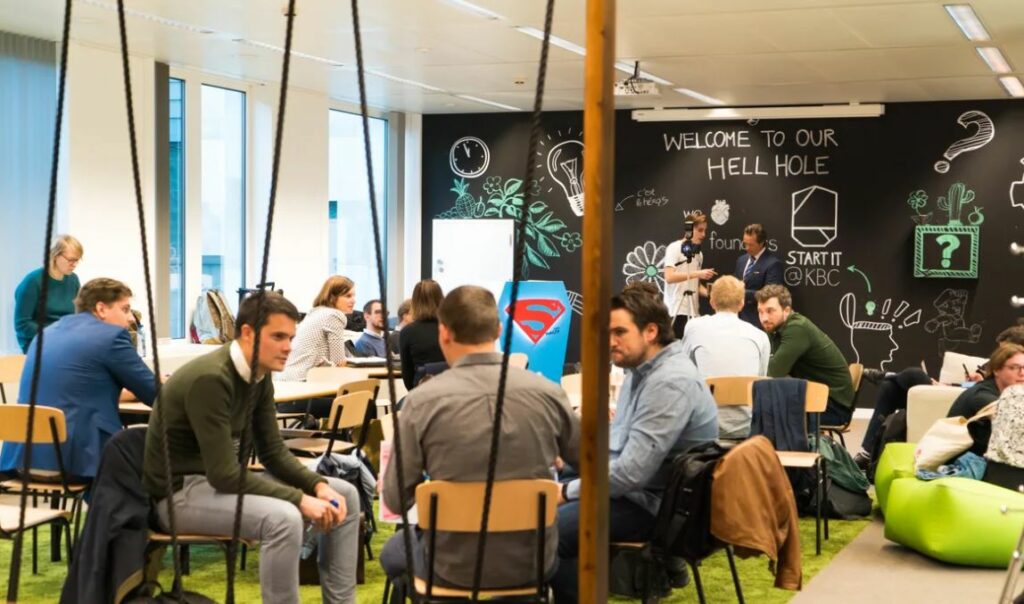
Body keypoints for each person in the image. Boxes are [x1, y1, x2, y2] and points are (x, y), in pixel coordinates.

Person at [142, 292, 360, 604]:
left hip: (214, 485)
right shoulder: (211, 379)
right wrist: (301, 499)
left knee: (344, 494)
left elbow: (272, 452)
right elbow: (224, 475)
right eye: (278, 337)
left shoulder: (259, 373)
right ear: (247, 333)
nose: (288, 347)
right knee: (284, 518)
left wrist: (317, 485)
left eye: (291, 338)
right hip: (177, 495)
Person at [380, 285, 579, 593]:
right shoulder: (549, 393)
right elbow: (591, 461)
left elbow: (395, 498)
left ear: (443, 333)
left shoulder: (420, 403)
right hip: (532, 561)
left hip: (449, 564)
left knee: (392, 553)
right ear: (499, 330)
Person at [551, 284, 718, 603]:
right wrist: (568, 461)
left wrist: (566, 491)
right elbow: (619, 447)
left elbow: (630, 473)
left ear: (651, 332)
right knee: (548, 484)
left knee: (549, 530)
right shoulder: (641, 372)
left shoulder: (669, 381)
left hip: (656, 506)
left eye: (619, 332)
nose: (610, 341)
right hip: (643, 490)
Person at [0, 278, 155, 480]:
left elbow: (75, 391)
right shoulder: (111, 337)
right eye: (125, 309)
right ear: (101, 309)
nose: (131, 318)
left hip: (21, 459)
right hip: (74, 460)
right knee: (152, 459)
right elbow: (154, 394)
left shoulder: (45, 334)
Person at [680, 275, 770, 439]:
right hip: (747, 429)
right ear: (742, 303)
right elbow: (761, 380)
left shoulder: (693, 328)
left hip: (703, 428)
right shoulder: (760, 337)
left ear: (712, 301)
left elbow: (686, 374)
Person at [756, 284, 855, 427]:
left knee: (765, 413)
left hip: (832, 407)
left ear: (786, 310)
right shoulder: (775, 329)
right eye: (760, 312)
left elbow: (773, 372)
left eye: (770, 311)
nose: (764, 318)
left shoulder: (797, 328)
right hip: (815, 398)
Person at [947, 342, 1024, 456]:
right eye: (1014, 368)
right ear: (996, 370)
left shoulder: (1009, 392)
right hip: (963, 461)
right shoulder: (982, 396)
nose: (1022, 373)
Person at [277, 275, 356, 382]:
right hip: (303, 380)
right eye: (348, 296)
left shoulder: (315, 312)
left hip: (286, 377)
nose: (353, 300)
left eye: (354, 296)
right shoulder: (334, 315)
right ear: (332, 297)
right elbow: (338, 362)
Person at [14, 234, 84, 353]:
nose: (74, 264)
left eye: (77, 260)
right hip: (38, 343)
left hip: (64, 339)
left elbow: (78, 315)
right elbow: (22, 325)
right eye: (71, 260)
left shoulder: (73, 280)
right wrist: (57, 334)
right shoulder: (33, 282)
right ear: (55, 255)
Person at [662, 212, 715, 338]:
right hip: (675, 311)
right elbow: (669, 277)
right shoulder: (674, 248)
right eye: (700, 230)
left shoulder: (699, 255)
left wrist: (711, 294)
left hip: (693, 312)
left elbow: (695, 285)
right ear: (689, 230)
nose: (703, 235)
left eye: (705, 231)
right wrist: (698, 273)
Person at [398, 280, 446, 390]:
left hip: (422, 391)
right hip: (453, 391)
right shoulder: (452, 329)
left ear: (414, 303)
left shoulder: (407, 332)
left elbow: (408, 377)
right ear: (441, 299)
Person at [734, 224, 783, 329]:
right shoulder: (741, 260)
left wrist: (740, 292)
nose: (747, 248)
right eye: (745, 244)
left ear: (761, 243)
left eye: (751, 245)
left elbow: (770, 295)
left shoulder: (773, 264)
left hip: (758, 322)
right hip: (737, 320)